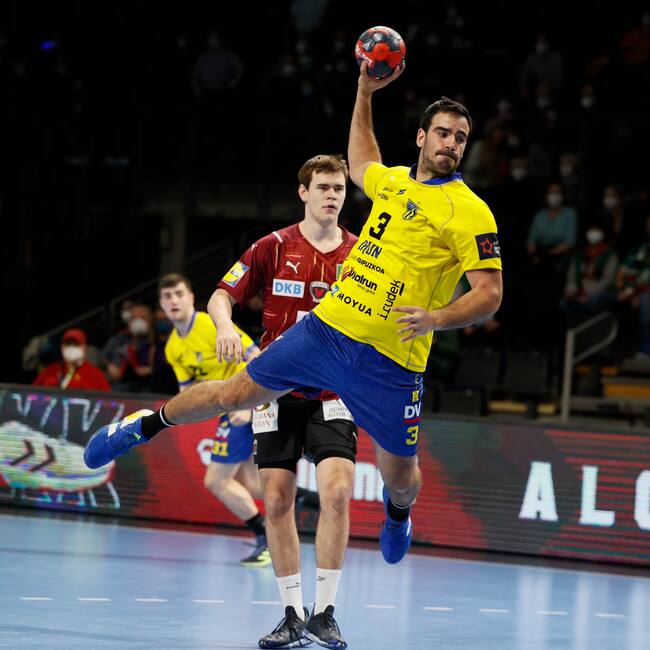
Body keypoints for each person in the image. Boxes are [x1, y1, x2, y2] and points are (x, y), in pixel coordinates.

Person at [84, 61, 502, 645]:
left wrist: (436, 317)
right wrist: (364, 89)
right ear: (421, 137)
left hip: (391, 362)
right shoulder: (391, 184)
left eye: (460, 137)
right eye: (443, 133)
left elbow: (490, 294)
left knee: (401, 476)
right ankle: (143, 425)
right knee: (237, 391)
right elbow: (362, 158)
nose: (451, 143)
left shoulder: (471, 211)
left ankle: (398, 514)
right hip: (326, 332)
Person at [210, 154, 358, 648]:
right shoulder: (272, 247)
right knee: (276, 500)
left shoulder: (361, 255)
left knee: (337, 493)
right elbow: (221, 295)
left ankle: (325, 613)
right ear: (304, 192)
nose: (332, 195)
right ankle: (292, 615)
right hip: (275, 389)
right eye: (324, 187)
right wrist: (225, 325)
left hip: (334, 391)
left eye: (339, 188)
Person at [158, 272, 269, 567]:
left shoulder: (209, 324)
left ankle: (266, 537)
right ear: (162, 304)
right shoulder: (173, 347)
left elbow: (257, 356)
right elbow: (187, 393)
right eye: (167, 297)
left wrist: (250, 403)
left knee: (217, 481)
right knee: (252, 484)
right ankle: (310, 501)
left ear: (191, 297)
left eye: (179, 294)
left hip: (246, 404)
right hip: (227, 410)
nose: (174, 301)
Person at [33, 328, 111, 391]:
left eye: (76, 344)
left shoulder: (95, 375)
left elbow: (107, 402)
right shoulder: (50, 370)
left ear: (84, 348)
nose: (71, 348)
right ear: (62, 347)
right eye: (68, 344)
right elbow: (32, 394)